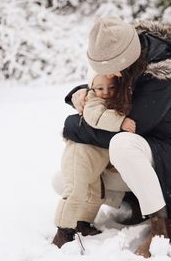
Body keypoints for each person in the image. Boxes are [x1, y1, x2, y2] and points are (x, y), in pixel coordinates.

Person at [60, 17, 171, 258]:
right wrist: (79, 94)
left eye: (108, 67)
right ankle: (125, 205)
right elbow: (104, 89)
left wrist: (72, 123)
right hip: (141, 163)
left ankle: (163, 227)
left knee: (121, 143)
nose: (104, 74)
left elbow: (122, 129)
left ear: (124, 59)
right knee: (62, 179)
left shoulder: (160, 80)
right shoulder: (127, 65)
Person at [53, 67, 136, 248]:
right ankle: (63, 231)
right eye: (100, 88)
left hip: (95, 162)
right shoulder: (92, 101)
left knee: (95, 195)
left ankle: (82, 223)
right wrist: (120, 121)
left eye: (111, 88)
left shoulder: (113, 102)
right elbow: (96, 118)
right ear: (91, 88)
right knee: (75, 191)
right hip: (79, 156)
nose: (105, 93)